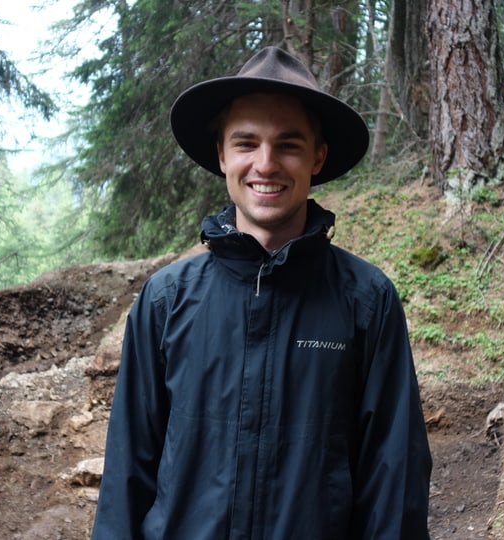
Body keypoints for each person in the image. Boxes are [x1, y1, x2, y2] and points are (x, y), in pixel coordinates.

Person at [91, 46, 432, 539]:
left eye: (289, 145)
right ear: (222, 155)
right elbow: (127, 472)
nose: (266, 164)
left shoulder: (366, 301)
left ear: (318, 156)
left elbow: (394, 479)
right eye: (246, 143)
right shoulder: (166, 301)